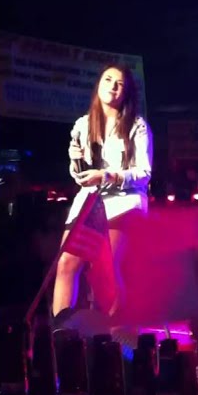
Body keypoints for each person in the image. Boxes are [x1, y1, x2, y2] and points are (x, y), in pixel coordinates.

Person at [51, 65, 153, 321]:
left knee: (105, 267)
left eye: (119, 84)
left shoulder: (136, 126)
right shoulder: (83, 125)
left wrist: (108, 176)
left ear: (125, 93)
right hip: (90, 198)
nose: (112, 86)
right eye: (108, 80)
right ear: (99, 84)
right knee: (66, 264)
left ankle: (117, 334)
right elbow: (79, 175)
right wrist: (76, 163)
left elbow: (144, 172)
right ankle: (61, 333)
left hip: (125, 200)